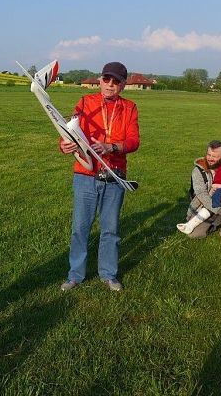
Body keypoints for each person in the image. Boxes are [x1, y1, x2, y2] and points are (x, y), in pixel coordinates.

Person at [59, 62, 140, 292]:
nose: (110, 85)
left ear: (123, 84)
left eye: (116, 81)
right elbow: (69, 129)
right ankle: (75, 275)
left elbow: (134, 141)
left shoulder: (130, 108)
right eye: (106, 79)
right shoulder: (86, 102)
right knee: (80, 227)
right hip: (85, 173)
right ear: (100, 79)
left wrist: (112, 147)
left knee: (111, 229)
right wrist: (64, 145)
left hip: (114, 176)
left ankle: (108, 274)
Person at [180, 140, 221, 241]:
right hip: (204, 207)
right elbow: (202, 195)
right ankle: (217, 221)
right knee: (194, 234)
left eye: (215, 156)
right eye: (208, 154)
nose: (210, 158)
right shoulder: (198, 170)